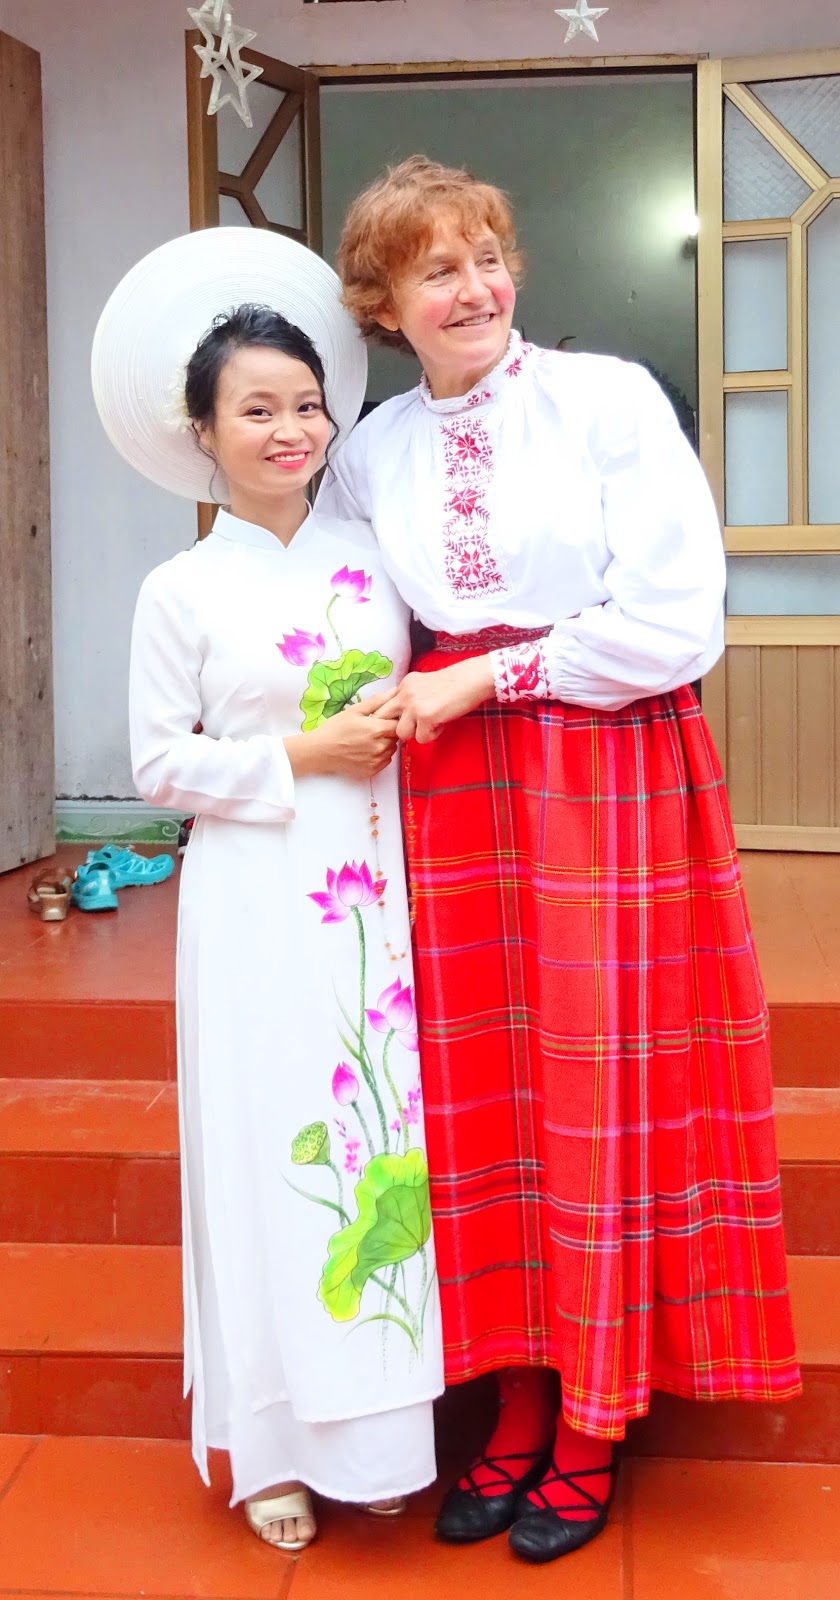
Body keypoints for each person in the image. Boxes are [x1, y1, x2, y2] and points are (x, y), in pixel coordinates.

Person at [317, 156, 801, 1565]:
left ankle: (593, 1421)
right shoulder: (371, 451)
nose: (473, 289)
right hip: (446, 797)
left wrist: (488, 681)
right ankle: (517, 1406)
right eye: (435, 271)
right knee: (473, 1096)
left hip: (600, 765)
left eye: (487, 257)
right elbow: (354, 632)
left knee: (598, 1081)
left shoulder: (605, 401)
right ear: (386, 303)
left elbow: (673, 624)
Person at [91, 229, 443, 1552]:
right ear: (204, 430)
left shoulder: (375, 558)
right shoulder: (179, 589)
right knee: (262, 1159)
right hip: (248, 904)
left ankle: (384, 1432)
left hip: (375, 902)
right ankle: (270, 1453)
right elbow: (156, 764)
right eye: (258, 409)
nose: (289, 429)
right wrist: (300, 753)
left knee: (375, 1146)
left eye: (306, 405)